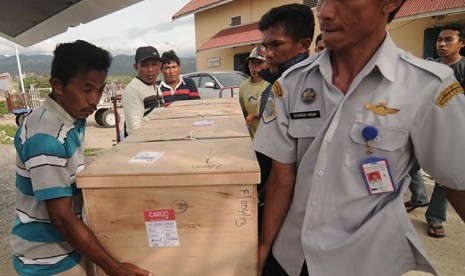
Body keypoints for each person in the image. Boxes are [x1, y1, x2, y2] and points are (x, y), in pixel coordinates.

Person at [253, 0, 465, 275]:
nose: (325, 13)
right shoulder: (292, 83)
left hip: (364, 262)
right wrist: (263, 246)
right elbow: (282, 177)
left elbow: (458, 183)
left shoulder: (426, 87)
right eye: (322, 0)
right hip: (293, 256)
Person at [10, 40, 152, 275]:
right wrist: (114, 268)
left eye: (100, 89)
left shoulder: (69, 118)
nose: (94, 100)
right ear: (58, 85)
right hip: (48, 260)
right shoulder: (45, 137)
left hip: (70, 246)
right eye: (86, 90)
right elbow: (61, 218)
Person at [254, 3, 315, 233]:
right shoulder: (277, 83)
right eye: (265, 45)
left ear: (304, 44)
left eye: (276, 44)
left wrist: (264, 243)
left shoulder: (297, 86)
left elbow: (283, 173)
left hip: (290, 210)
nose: (268, 53)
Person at [405, 23, 465, 238]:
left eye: (448, 39)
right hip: (421, 128)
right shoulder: (429, 68)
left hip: (453, 134)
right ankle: (419, 196)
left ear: (462, 43)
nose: (441, 43)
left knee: (445, 179)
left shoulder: (462, 69)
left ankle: (435, 219)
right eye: (439, 39)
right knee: (405, 168)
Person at [123, 46, 164, 136]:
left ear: (160, 66)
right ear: (136, 67)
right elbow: (134, 130)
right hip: (146, 144)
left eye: (154, 64)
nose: (150, 70)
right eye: (144, 65)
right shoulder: (133, 90)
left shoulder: (157, 88)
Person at [239, 45, 269, 138]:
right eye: (251, 62)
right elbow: (242, 111)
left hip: (268, 138)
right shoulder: (244, 86)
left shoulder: (271, 84)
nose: (254, 66)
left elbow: (276, 112)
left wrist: (255, 115)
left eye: (259, 62)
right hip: (252, 137)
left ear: (267, 64)